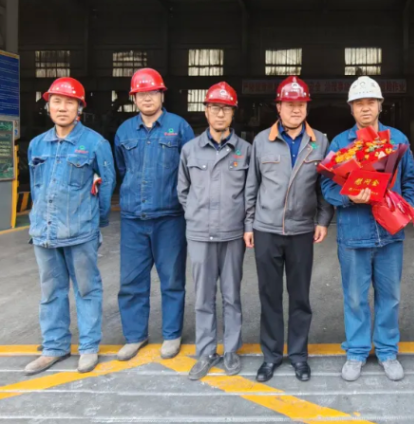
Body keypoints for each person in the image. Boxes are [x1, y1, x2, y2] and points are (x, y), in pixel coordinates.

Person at [321, 76, 414, 383]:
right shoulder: (341, 144)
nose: (365, 108)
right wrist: (349, 197)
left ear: (380, 105)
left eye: (370, 102)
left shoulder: (397, 139)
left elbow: (411, 179)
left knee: (390, 296)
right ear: (351, 108)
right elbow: (326, 186)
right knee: (355, 297)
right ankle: (357, 351)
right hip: (354, 234)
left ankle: (388, 351)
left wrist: (405, 206)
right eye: (359, 103)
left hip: (390, 234)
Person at [244, 76, 334, 383]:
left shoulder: (319, 141)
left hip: (301, 231)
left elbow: (325, 186)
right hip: (266, 229)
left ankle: (298, 356)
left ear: (307, 107)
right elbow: (251, 186)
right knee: (269, 296)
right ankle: (271, 356)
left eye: (301, 104)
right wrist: (249, 224)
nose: (296, 109)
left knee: (300, 298)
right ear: (278, 107)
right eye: (289, 104)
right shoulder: (261, 141)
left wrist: (322, 221)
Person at [24, 77, 116, 375]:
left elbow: (107, 184)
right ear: (48, 106)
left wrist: (96, 221)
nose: (62, 108)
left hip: (80, 232)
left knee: (87, 290)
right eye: (57, 102)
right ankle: (54, 347)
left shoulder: (95, 143)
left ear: (80, 108)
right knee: (51, 292)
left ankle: (88, 347)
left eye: (69, 102)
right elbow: (37, 188)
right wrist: (40, 218)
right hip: (44, 232)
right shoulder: (37, 145)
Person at [114, 68, 195, 362]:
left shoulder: (179, 127)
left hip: (170, 217)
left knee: (172, 279)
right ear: (133, 98)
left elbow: (190, 169)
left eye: (152, 93)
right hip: (133, 218)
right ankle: (135, 336)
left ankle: (171, 334)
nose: (147, 98)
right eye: (141, 94)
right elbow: (122, 169)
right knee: (131, 281)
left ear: (162, 95)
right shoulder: (124, 131)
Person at [178, 82, 250, 379]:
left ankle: (231, 349)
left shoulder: (245, 150)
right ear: (206, 111)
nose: (220, 114)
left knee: (232, 295)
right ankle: (206, 351)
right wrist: (197, 216)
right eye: (215, 108)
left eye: (226, 109)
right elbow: (183, 191)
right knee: (203, 297)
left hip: (233, 234)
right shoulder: (190, 150)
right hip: (199, 235)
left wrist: (245, 225)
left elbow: (250, 194)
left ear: (233, 113)